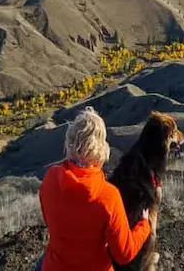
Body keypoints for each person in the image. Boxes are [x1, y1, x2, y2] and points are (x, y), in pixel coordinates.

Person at [36, 106, 150, 271]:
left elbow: (49, 221)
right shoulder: (108, 196)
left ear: (69, 142)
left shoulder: (50, 178)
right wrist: (144, 225)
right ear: (100, 150)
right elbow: (124, 254)